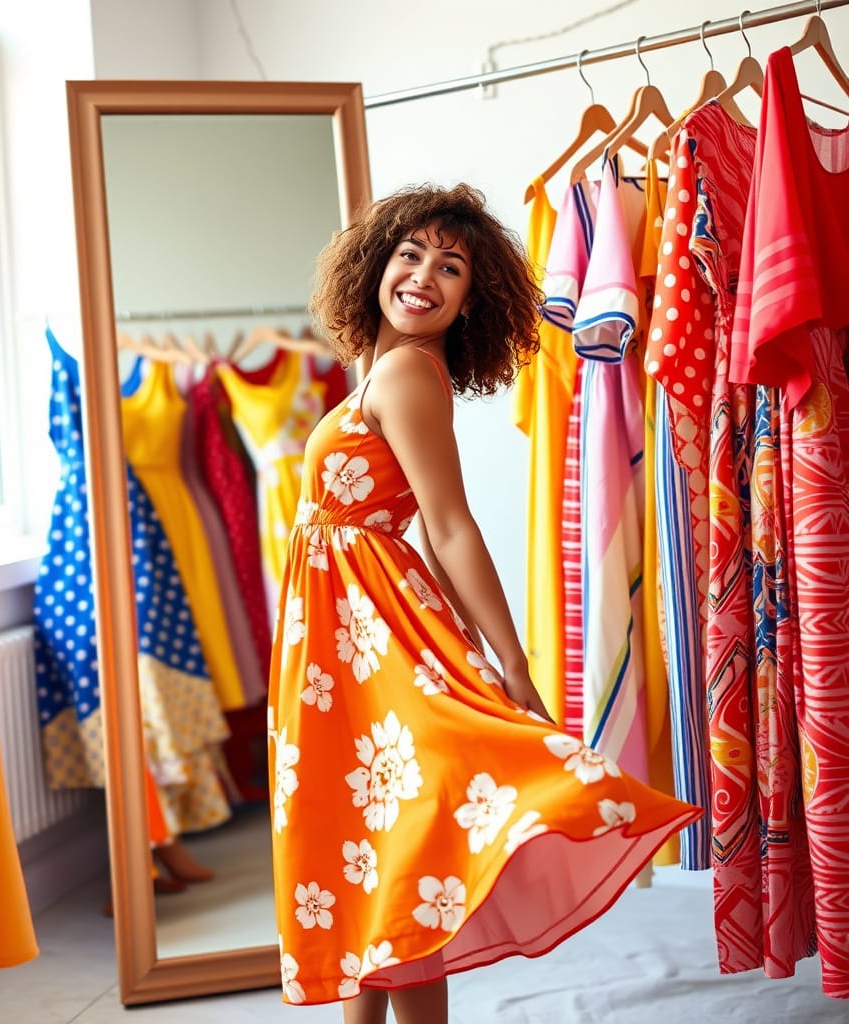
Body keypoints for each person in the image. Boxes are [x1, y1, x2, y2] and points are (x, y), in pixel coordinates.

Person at [267, 183, 699, 1024]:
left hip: (364, 639)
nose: (423, 276)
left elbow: (449, 526)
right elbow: (429, 535)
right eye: (410, 255)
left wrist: (511, 663)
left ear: (471, 299)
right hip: (343, 640)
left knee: (393, 851)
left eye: (450, 267)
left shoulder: (404, 373)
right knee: (378, 856)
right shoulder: (391, 370)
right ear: (376, 265)